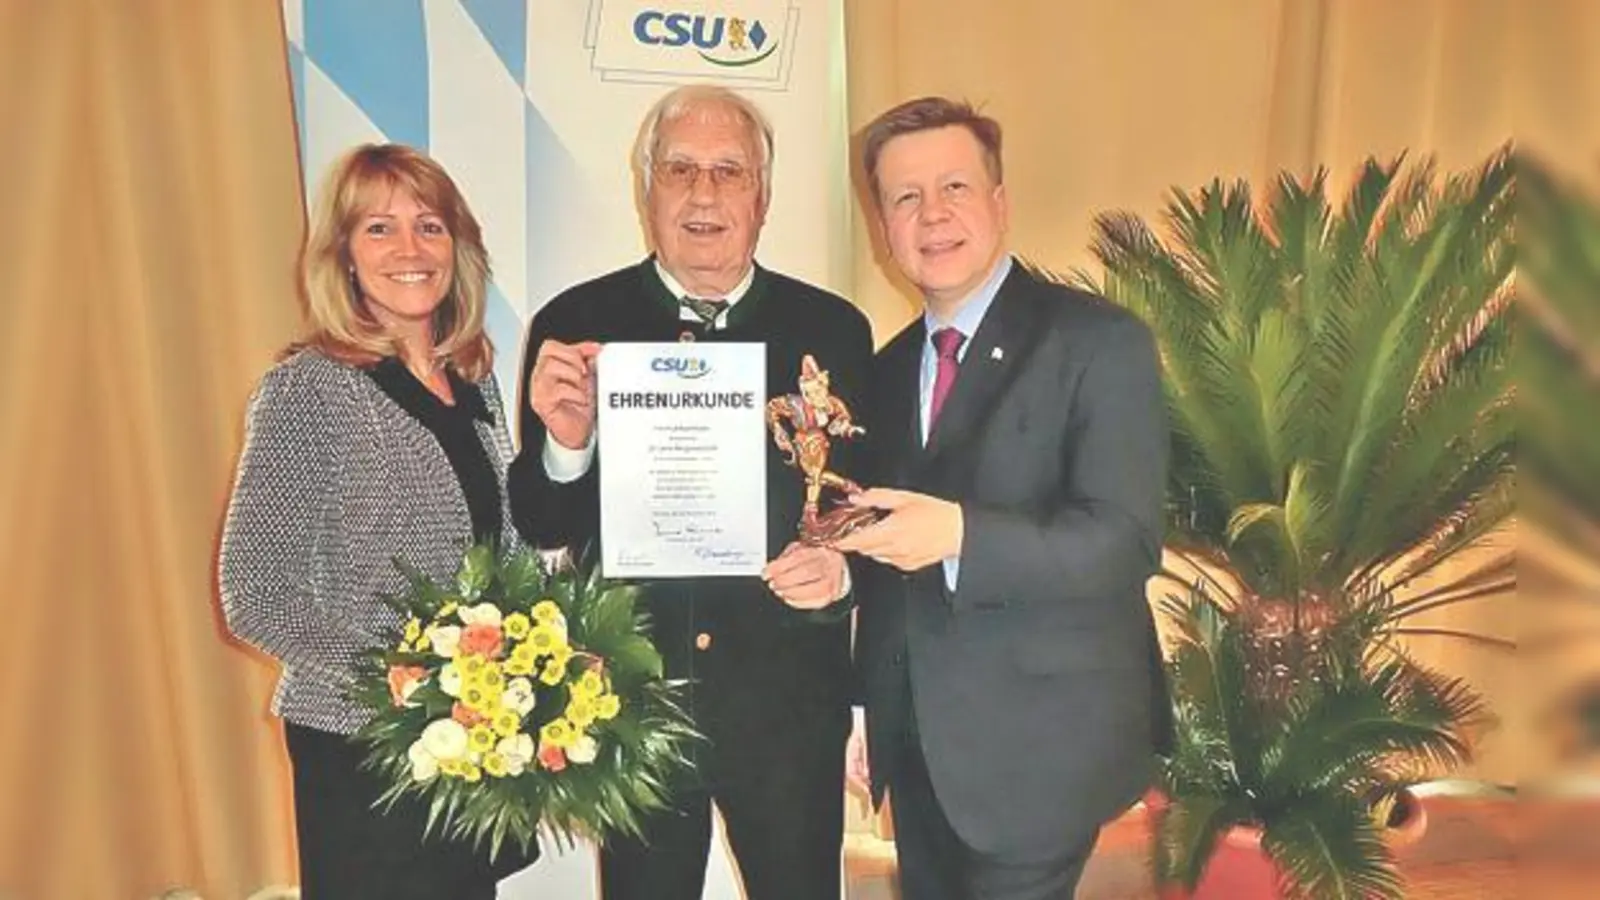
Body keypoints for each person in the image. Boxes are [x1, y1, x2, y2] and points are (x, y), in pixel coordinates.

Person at [505, 85, 872, 900]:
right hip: (636, 702)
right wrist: (567, 446)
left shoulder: (835, 331)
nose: (704, 194)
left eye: (729, 171)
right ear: (647, 191)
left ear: (763, 197)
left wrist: (845, 574)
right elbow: (540, 519)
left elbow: (865, 506)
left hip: (788, 707)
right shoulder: (577, 320)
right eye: (680, 169)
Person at [828, 96, 1173, 900]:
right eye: (905, 197)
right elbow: (884, 556)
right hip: (918, 754)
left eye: (954, 187)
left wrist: (959, 535)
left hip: (1042, 752)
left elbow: (1124, 541)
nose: (932, 214)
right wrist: (862, 705)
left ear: (1000, 202)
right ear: (882, 225)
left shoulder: (1099, 342)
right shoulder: (880, 372)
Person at [218, 144, 537, 899]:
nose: (409, 250)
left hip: (468, 742)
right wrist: (406, 678)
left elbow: (493, 544)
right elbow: (253, 592)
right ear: (344, 255)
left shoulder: (474, 382)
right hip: (360, 749)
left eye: (429, 226)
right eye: (379, 229)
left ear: (458, 247)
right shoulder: (308, 389)